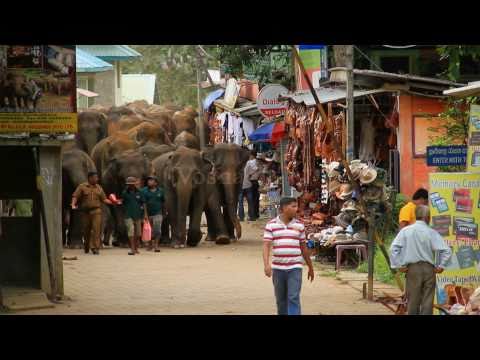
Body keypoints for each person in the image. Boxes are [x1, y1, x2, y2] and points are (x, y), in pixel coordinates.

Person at [390, 205, 452, 315]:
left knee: (413, 301)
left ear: (416, 216)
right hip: (429, 270)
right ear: (428, 218)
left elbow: (394, 248)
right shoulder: (431, 232)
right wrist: (441, 266)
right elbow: (447, 250)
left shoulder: (406, 231)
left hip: (412, 270)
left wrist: (398, 265)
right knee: (427, 301)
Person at [263, 197, 314, 315]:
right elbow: (266, 246)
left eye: (296, 206)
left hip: (295, 268)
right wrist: (266, 265)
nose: (296, 209)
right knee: (281, 301)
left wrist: (310, 267)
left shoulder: (299, 226)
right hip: (278, 269)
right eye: (293, 206)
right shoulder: (271, 225)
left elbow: (304, 248)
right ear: (284, 208)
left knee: (293, 297)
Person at [71, 171, 117, 255]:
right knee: (86, 230)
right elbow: (75, 196)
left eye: (97, 177)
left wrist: (113, 202)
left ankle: (95, 247)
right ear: (90, 178)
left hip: (96, 211)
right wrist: (73, 204)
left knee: (96, 229)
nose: (97, 179)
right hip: (85, 212)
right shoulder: (82, 187)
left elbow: (104, 199)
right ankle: (87, 245)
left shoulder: (99, 188)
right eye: (95, 177)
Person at [120, 177, 148, 256]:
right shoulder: (124, 193)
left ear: (135, 184)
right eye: (129, 184)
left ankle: (136, 248)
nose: (131, 186)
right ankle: (132, 248)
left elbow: (144, 203)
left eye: (132, 184)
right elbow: (123, 202)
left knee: (138, 233)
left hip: (138, 215)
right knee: (131, 230)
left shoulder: (140, 192)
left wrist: (145, 214)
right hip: (128, 215)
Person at [141, 176, 164, 253]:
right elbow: (144, 203)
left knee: (157, 229)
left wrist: (164, 212)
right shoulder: (144, 191)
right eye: (148, 180)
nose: (149, 182)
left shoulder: (160, 191)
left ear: (156, 183)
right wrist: (145, 214)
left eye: (151, 180)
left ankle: (156, 245)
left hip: (158, 213)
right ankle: (150, 244)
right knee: (149, 230)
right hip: (148, 213)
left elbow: (163, 202)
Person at [238, 150, 258, 222]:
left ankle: (241, 217)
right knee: (250, 202)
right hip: (248, 184)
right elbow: (256, 169)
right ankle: (252, 217)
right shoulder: (248, 163)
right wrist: (250, 175)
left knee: (240, 202)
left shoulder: (238, 164)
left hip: (240, 186)